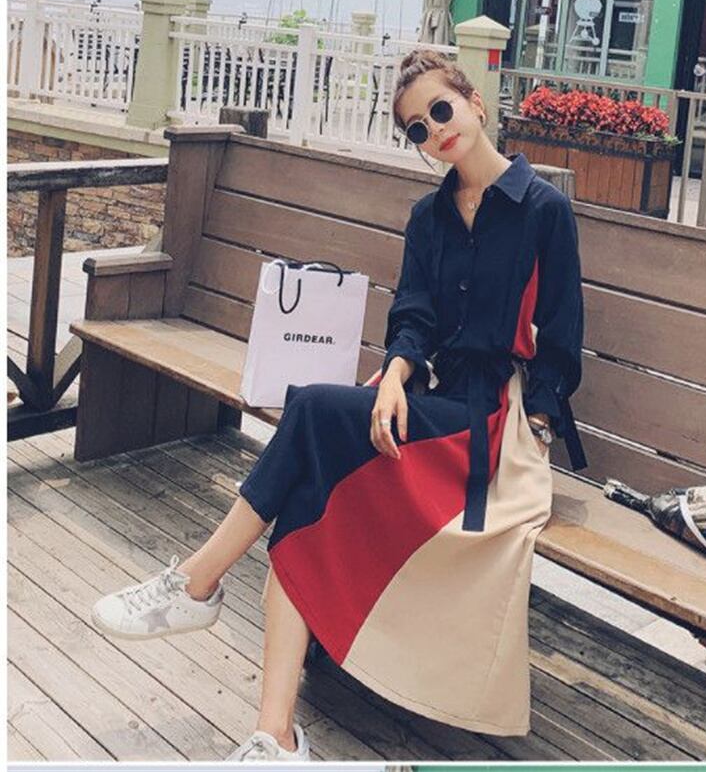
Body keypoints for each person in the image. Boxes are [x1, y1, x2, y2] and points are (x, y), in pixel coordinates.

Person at [91, 49, 588, 762]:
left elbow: (562, 340)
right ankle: (273, 734)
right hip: (431, 405)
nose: (434, 131)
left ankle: (198, 582)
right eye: (416, 129)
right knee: (304, 495)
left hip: (492, 425)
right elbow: (413, 316)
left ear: (475, 103)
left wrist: (534, 428)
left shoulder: (543, 209)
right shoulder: (429, 217)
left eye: (440, 110)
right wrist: (395, 374)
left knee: (313, 412)